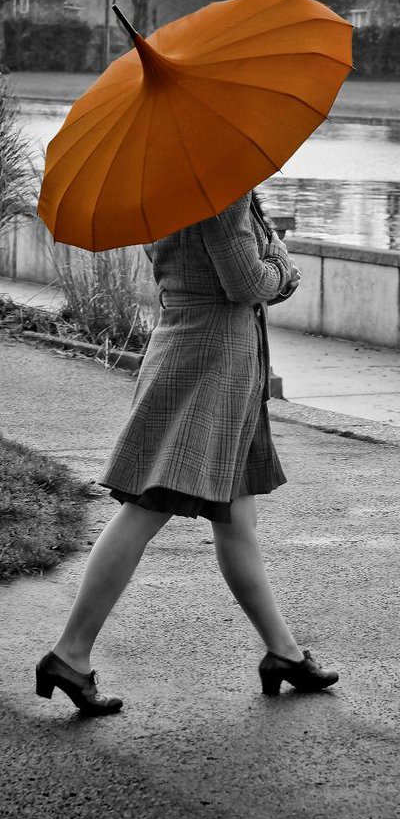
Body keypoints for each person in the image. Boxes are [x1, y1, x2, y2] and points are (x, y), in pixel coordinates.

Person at [35, 189, 338, 715]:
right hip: (208, 366)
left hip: (201, 354)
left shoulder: (163, 188)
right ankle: (70, 653)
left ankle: (283, 654)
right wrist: (285, 266)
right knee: (148, 507)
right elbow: (248, 283)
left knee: (235, 518)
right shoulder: (218, 191)